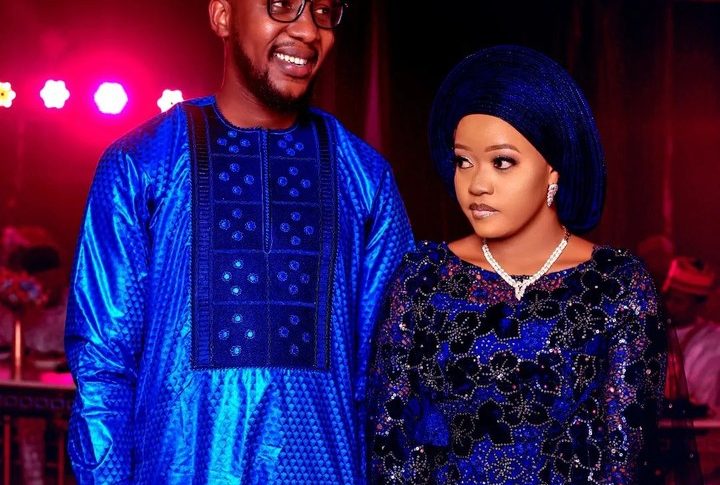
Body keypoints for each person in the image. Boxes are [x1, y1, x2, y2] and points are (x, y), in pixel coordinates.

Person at [65, 0, 413, 483]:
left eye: (323, 10)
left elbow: (392, 377)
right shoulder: (141, 165)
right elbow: (102, 367)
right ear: (223, 15)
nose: (308, 30)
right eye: (282, 5)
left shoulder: (366, 180)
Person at [367, 45, 668, 484]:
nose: (477, 184)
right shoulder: (423, 278)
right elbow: (390, 444)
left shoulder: (619, 286)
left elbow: (624, 460)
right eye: (463, 161)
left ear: (552, 171)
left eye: (502, 162)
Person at [663, 256, 720, 416]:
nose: (669, 305)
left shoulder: (714, 342)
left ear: (699, 306)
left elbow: (702, 402)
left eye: (678, 301)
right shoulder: (649, 333)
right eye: (667, 297)